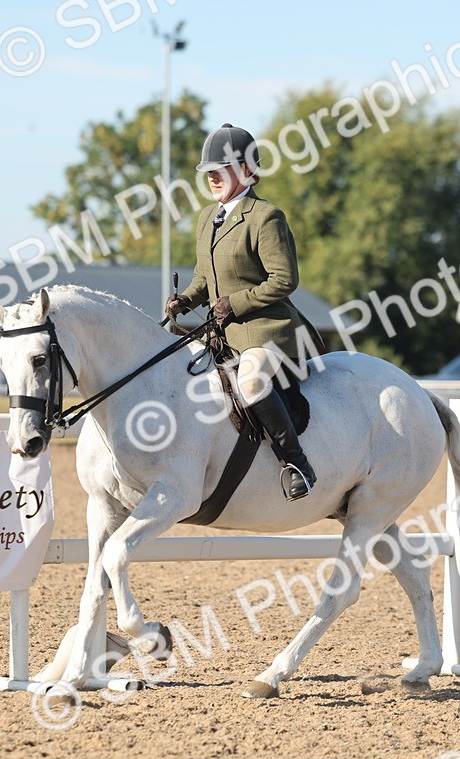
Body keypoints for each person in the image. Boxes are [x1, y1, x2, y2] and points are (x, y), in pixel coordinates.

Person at [166, 123, 319, 501]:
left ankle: (296, 463)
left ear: (248, 171)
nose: (213, 178)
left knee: (250, 382)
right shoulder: (207, 218)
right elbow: (206, 274)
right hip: (221, 334)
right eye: (209, 172)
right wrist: (186, 299)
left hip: (266, 331)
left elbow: (284, 279)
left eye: (222, 169)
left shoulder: (266, 216)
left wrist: (234, 303)